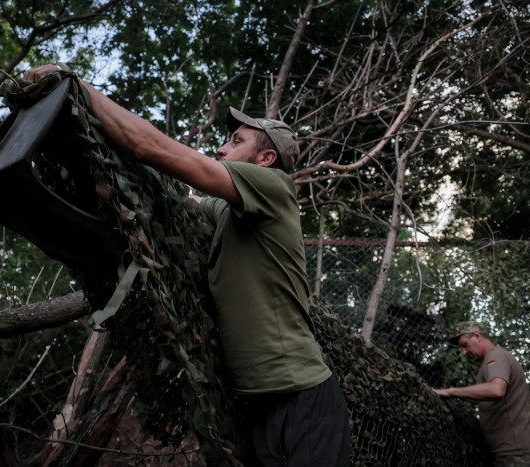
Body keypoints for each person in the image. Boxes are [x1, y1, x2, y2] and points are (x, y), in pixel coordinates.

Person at [24, 65, 351, 466]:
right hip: (257, 405)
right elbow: (187, 203)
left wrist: (78, 89)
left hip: (303, 397)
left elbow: (155, 150)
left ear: (265, 159)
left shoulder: (274, 188)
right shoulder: (230, 209)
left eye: (235, 141)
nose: (221, 149)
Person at [433, 321, 530, 467]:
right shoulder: (494, 359)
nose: (464, 352)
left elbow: (496, 390)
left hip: (520, 456)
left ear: (477, 336)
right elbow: (487, 398)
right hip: (522, 453)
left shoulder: (495, 357)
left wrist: (450, 391)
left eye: (465, 345)